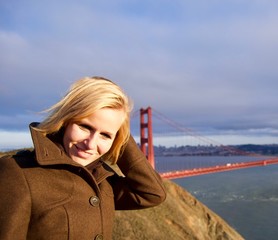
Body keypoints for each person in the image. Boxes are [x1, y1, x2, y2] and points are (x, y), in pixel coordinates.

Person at [0, 76, 166, 239]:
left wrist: (118, 131)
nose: (91, 144)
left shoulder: (102, 180)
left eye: (105, 135)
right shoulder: (17, 173)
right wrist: (109, 129)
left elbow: (151, 193)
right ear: (66, 120)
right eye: (85, 126)